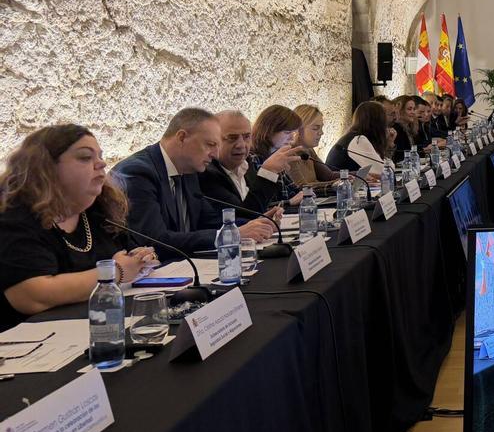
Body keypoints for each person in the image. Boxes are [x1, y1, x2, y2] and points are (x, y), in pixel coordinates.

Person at [0, 125, 159, 330]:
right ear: (46, 167)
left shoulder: (99, 213)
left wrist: (140, 259)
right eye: (85, 157)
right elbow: (31, 295)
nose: (101, 164)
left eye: (100, 156)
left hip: (98, 329)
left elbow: (126, 256)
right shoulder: (14, 217)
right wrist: (116, 271)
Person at [114, 107, 278, 252]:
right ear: (182, 137)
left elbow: (208, 220)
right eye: (210, 144)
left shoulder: (189, 169)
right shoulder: (138, 173)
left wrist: (256, 223)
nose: (214, 154)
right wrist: (231, 234)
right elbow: (155, 241)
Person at [198, 110, 291, 213]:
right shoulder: (207, 173)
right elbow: (239, 216)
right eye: (232, 138)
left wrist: (265, 218)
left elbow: (252, 210)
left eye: (246, 137)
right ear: (212, 140)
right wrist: (268, 173)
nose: (241, 145)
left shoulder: (247, 164)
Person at [245, 105, 305, 206]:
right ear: (269, 131)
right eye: (287, 132)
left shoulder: (275, 155)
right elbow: (255, 205)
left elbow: (293, 191)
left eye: (293, 133)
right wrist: (289, 203)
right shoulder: (252, 159)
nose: (292, 139)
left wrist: (306, 194)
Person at [326, 101, 391, 174]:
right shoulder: (358, 140)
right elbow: (383, 171)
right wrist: (387, 144)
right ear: (378, 123)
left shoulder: (355, 137)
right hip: (340, 185)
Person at [290, 104, 336, 185]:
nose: (321, 133)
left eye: (321, 128)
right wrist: (338, 184)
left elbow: (329, 176)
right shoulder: (288, 153)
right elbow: (303, 187)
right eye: (316, 128)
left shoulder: (309, 150)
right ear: (298, 129)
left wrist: (354, 176)